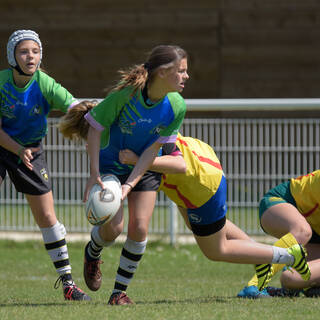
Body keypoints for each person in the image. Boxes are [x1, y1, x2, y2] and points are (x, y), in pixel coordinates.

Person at [58, 44, 189, 305]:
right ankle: (92, 252)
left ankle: (119, 292)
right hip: (109, 164)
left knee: (139, 227)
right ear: (163, 72)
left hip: (142, 165)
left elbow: (153, 150)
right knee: (113, 229)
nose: (186, 76)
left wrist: (130, 184)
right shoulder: (128, 94)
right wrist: (94, 173)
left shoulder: (177, 106)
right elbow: (94, 127)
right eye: (181, 71)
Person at [118, 133, 311, 297]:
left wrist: (135, 162)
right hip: (198, 164)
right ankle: (259, 257)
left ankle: (286, 255)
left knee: (216, 250)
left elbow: (179, 165)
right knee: (209, 227)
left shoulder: (135, 143)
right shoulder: (144, 125)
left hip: (201, 182)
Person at [0, 29, 90, 301]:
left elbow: (73, 105)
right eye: (24, 51)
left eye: (35, 51)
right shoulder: (2, 82)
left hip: (33, 151)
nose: (31, 56)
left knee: (48, 218)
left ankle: (68, 285)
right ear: (12, 56)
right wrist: (17, 149)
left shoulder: (45, 82)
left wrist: (90, 113)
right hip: (5, 146)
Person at [238, 170, 320, 298]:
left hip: (313, 230)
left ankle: (308, 287)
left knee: (292, 278)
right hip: (278, 202)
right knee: (302, 231)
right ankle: (255, 284)